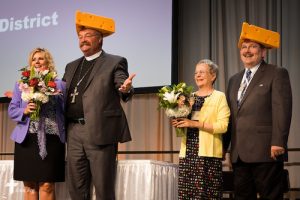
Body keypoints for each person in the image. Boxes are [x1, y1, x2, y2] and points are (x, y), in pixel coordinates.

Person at [63, 10, 135, 200]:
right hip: (73, 131)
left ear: (100, 39)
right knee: (76, 188)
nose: (83, 40)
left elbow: (122, 83)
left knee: (103, 189)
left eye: (88, 36)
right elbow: (61, 93)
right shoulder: (71, 66)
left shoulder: (115, 62)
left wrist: (125, 88)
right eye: (80, 36)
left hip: (100, 131)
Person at [224, 22, 293, 199]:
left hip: (266, 151)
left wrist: (279, 141)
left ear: (263, 52)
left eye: (253, 46)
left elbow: (282, 109)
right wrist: (225, 148)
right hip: (239, 154)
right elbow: (230, 116)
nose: (247, 51)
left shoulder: (276, 73)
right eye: (244, 47)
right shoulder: (233, 80)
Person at [8, 47, 66, 200]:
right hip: (27, 140)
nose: (37, 61)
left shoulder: (60, 84)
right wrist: (25, 110)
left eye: (40, 58)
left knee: (47, 185)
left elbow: (66, 110)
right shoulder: (21, 84)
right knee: (29, 186)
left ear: (48, 61)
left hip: (52, 139)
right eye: (34, 59)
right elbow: (12, 110)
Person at [172, 59, 230, 199]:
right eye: (196, 73)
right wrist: (178, 120)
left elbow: (223, 126)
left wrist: (195, 124)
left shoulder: (219, 97)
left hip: (208, 155)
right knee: (188, 195)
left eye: (202, 72)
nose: (198, 75)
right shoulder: (188, 98)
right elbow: (182, 121)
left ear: (213, 76)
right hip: (188, 153)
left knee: (207, 194)